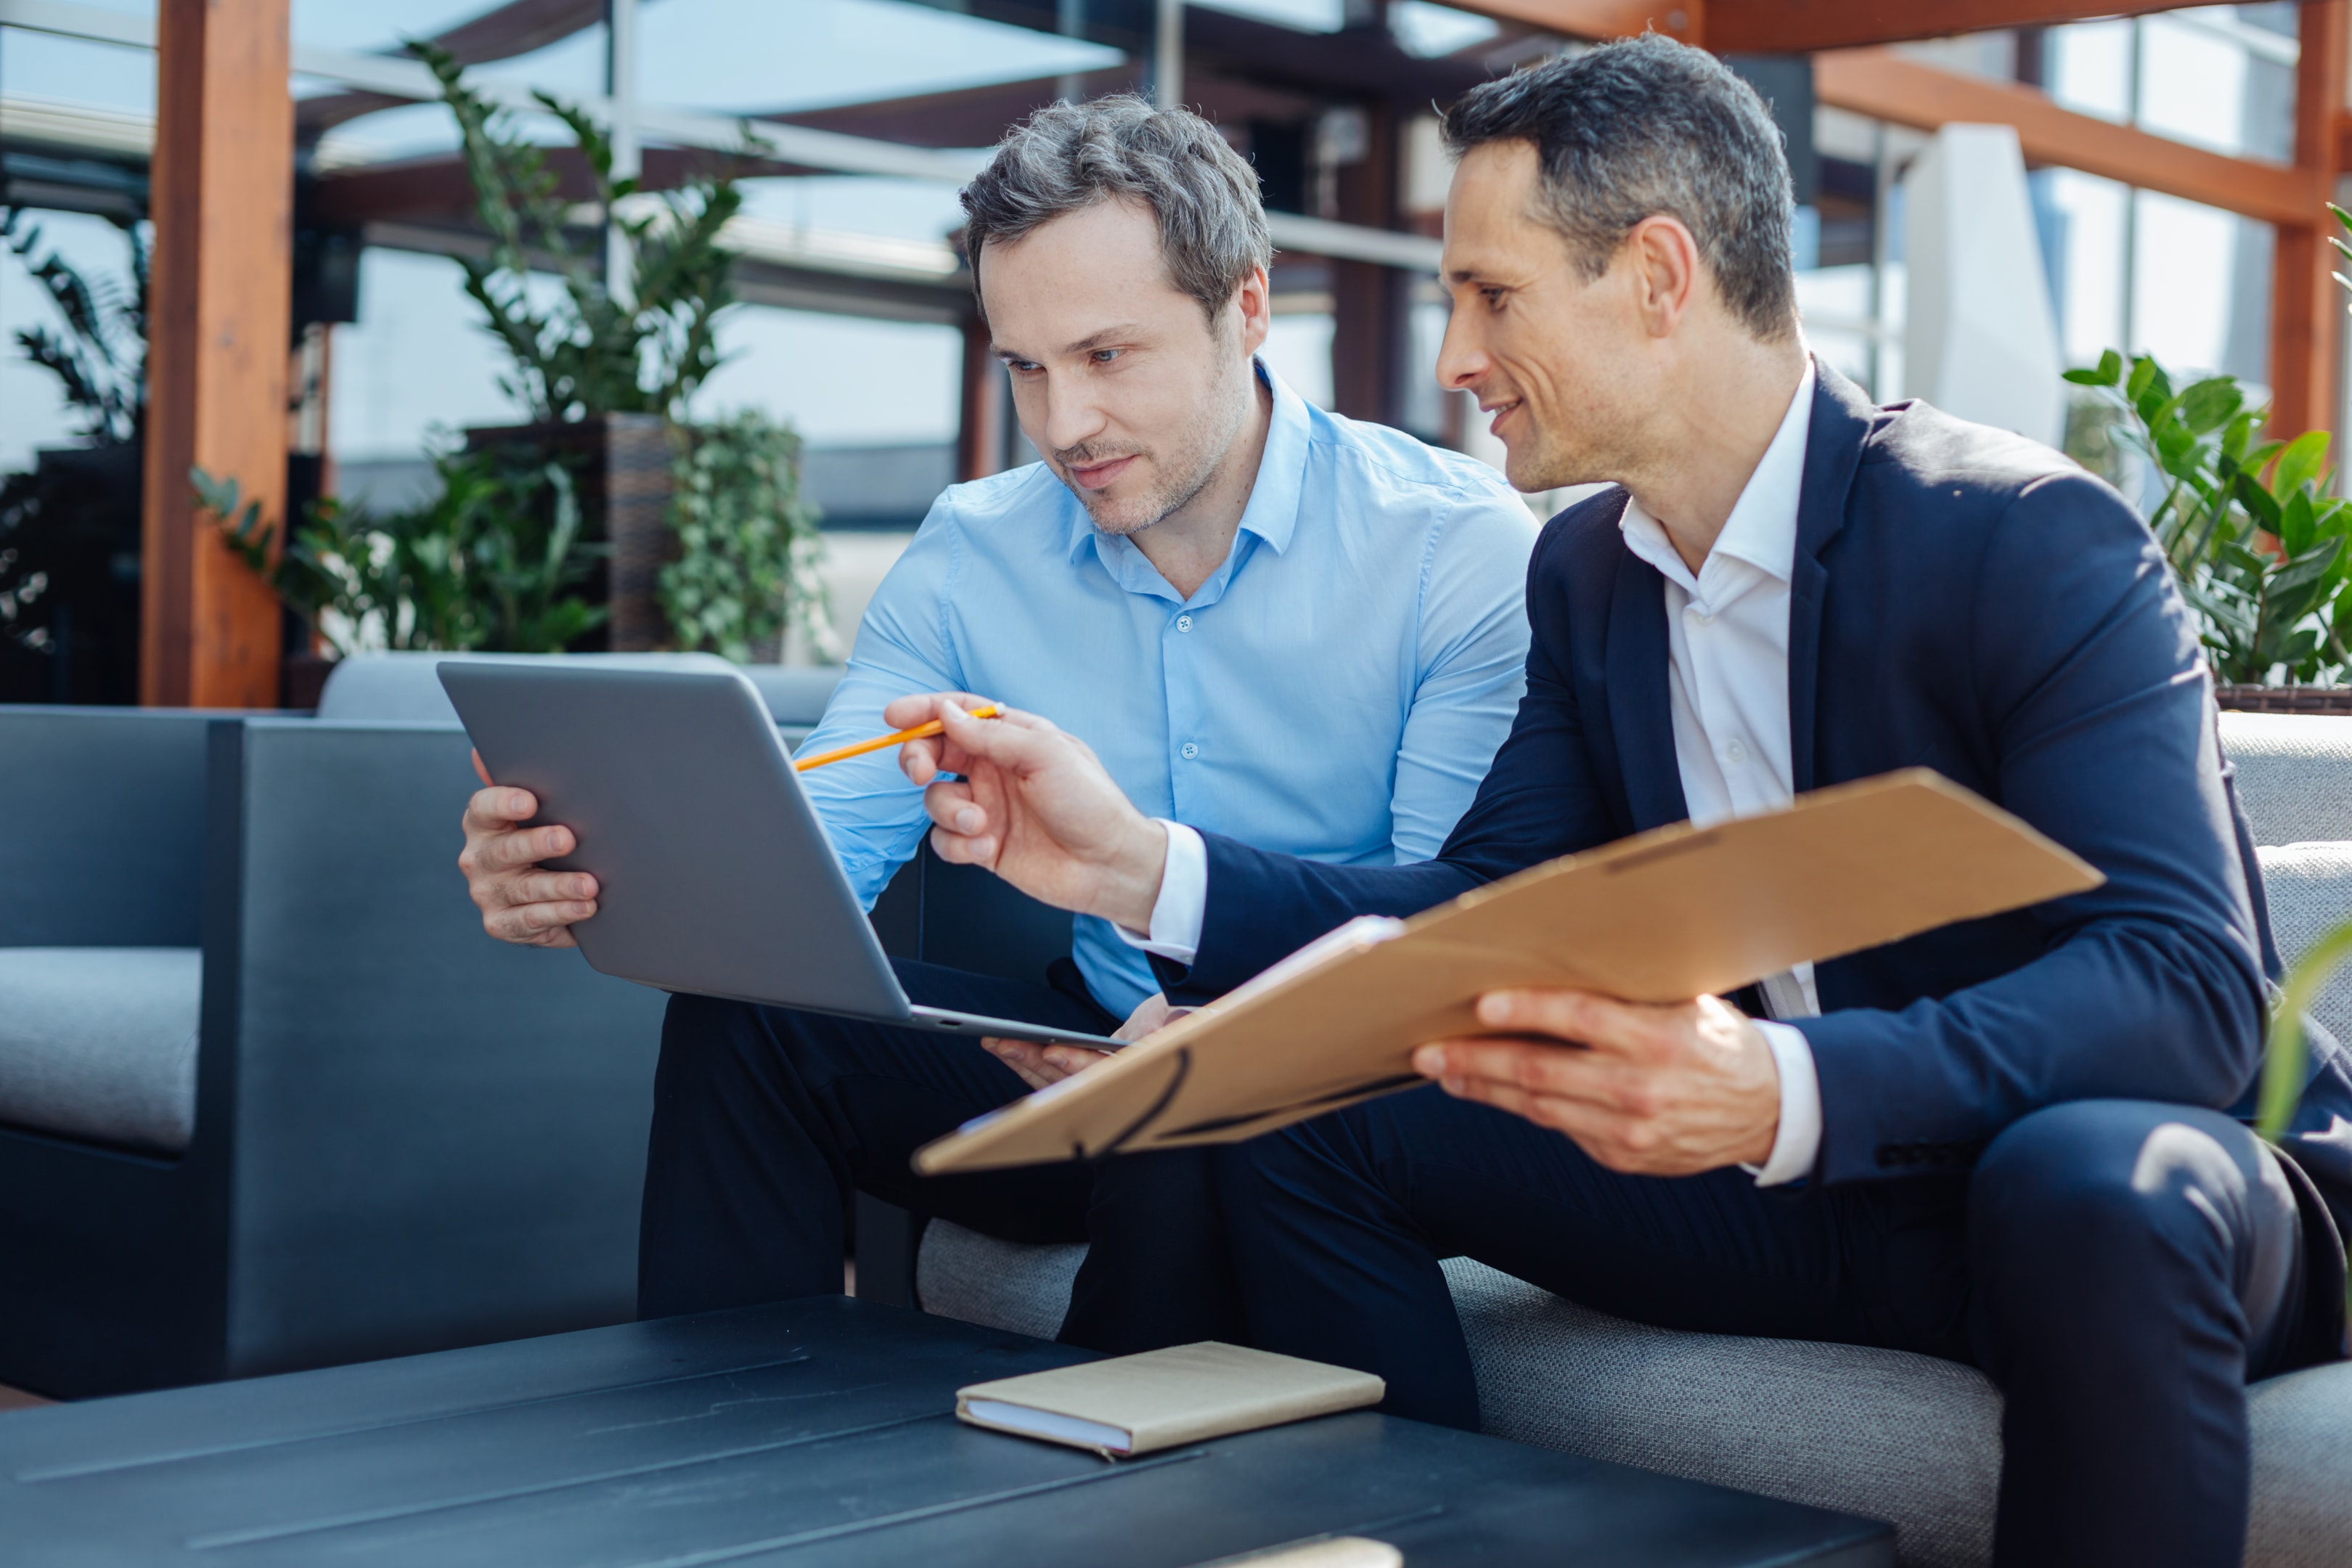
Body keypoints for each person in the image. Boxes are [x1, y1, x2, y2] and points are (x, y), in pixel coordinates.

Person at [885, 39, 2351, 1568]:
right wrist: (1135, 869)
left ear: (1658, 274)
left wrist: (1789, 1087)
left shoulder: (2025, 535)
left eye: (1491, 296)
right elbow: (1483, 915)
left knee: (2085, 1185)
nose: (1452, 354)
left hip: (2127, 1180)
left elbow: (2183, 989)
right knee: (1308, 1122)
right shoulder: (1588, 577)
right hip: (1814, 1194)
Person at [454, 95, 1539, 1351]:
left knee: (1195, 1113)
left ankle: (1084, 1504)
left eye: (1106, 356)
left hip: (1330, 1092)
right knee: (746, 1021)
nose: (1063, 422)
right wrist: (594, 869)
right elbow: (805, 873)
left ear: (1246, 310)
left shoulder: (1451, 552)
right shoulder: (974, 550)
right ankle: (725, 1476)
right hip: (1075, 1046)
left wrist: (1193, 1047)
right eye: (1024, 366)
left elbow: (1437, 932)